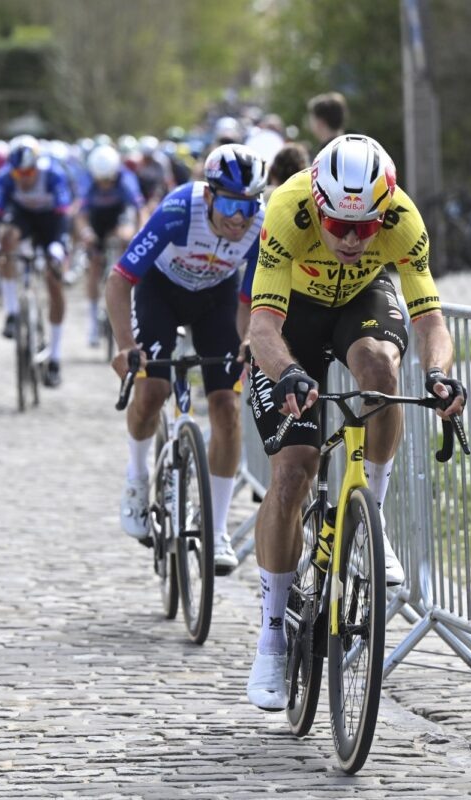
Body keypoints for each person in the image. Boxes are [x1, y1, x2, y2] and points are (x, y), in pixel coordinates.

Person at [243, 133, 467, 710]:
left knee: (381, 369)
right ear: (317, 205)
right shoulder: (287, 209)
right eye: (337, 225)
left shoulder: (402, 219)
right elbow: (262, 327)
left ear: (382, 211)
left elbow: (431, 322)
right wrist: (288, 372)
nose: (349, 239)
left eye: (364, 227)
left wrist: (438, 374)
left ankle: (372, 517)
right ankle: (271, 635)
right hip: (294, 316)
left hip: (361, 301)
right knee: (293, 472)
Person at [106, 143, 268, 574]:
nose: (239, 218)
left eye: (249, 206)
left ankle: (216, 531)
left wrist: (247, 341)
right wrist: (125, 345)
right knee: (152, 391)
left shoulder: (260, 226)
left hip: (216, 299)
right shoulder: (179, 211)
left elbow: (249, 299)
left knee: (226, 407)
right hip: (160, 293)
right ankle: (137, 478)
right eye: (230, 204)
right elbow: (119, 280)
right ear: (209, 195)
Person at [0, 135, 74, 386]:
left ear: (37, 166)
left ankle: (55, 357)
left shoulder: (53, 174)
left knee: (54, 280)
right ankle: (12, 312)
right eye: (18, 174)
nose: (23, 179)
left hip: (51, 223)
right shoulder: (6, 176)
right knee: (7, 241)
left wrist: (58, 246)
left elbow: (64, 215)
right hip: (23, 218)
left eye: (28, 173)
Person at [75, 144, 143, 347]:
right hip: (97, 219)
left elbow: (139, 211)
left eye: (109, 180)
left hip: (118, 216)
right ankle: (93, 323)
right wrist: (86, 233)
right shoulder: (87, 180)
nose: (105, 184)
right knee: (94, 264)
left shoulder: (126, 178)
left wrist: (138, 235)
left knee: (124, 237)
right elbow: (80, 215)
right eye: (101, 180)